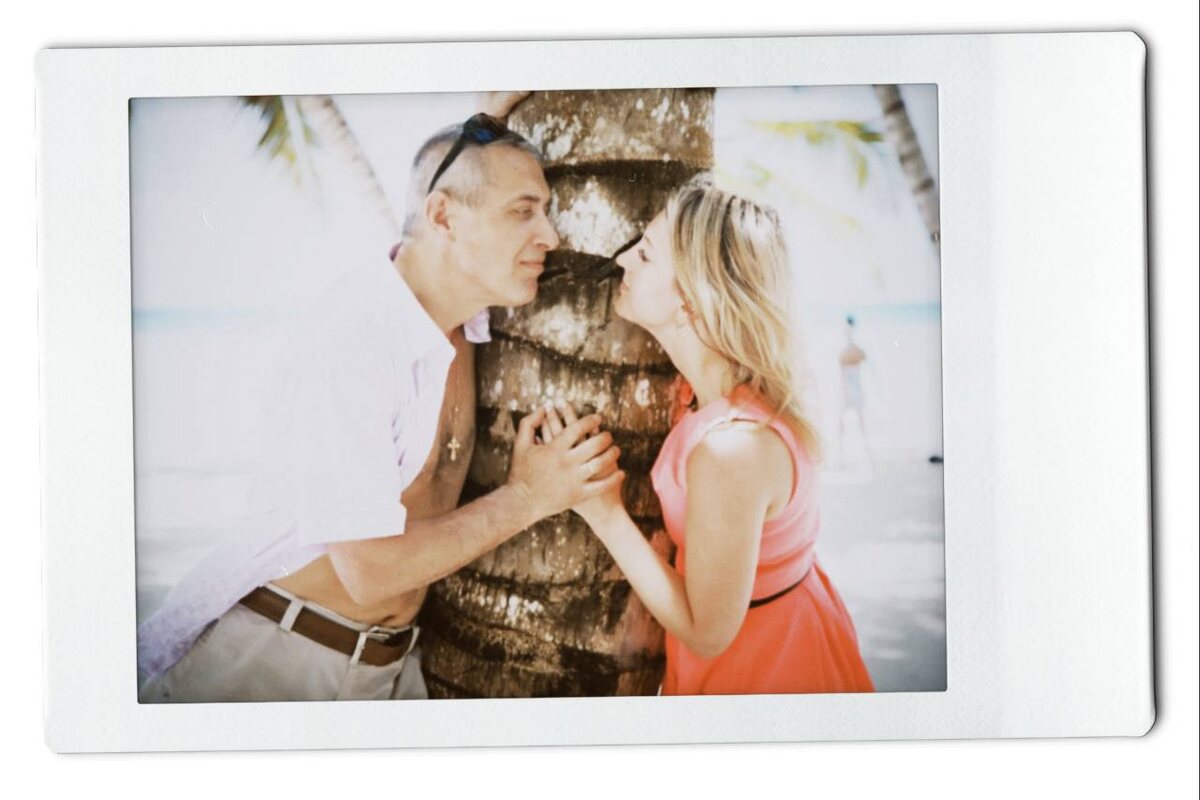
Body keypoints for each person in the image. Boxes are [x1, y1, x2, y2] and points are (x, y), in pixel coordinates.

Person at [137, 101, 623, 702]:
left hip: (386, 670)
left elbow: (450, 190)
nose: (550, 235)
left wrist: (492, 113)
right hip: (272, 661)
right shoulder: (356, 340)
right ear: (443, 216)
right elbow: (369, 571)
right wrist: (528, 496)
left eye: (544, 211)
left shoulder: (463, 316)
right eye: (523, 211)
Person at [541, 180, 873, 695]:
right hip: (791, 631)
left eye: (645, 254)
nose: (623, 259)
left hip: (765, 670)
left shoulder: (731, 450)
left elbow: (709, 632)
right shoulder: (721, 396)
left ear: (692, 302)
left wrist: (601, 510)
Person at [838, 315, 874, 466]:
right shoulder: (854, 350)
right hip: (852, 390)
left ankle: (862, 449)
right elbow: (871, 369)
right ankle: (847, 450)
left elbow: (842, 374)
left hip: (851, 390)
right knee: (850, 420)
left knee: (853, 420)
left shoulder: (849, 350)